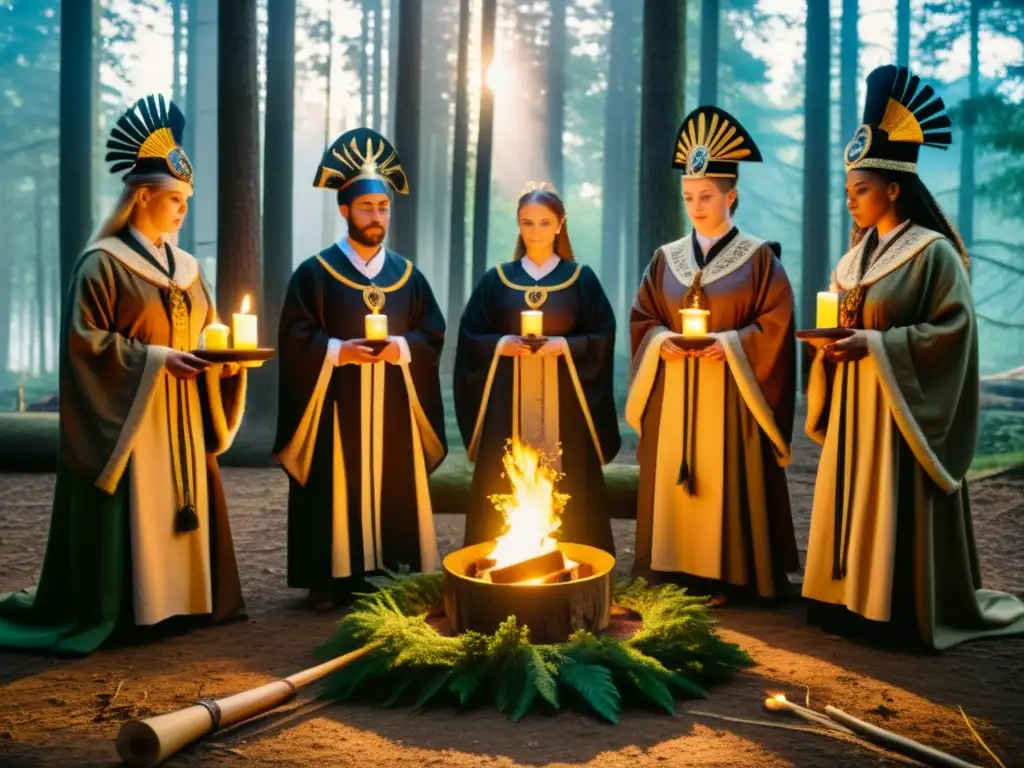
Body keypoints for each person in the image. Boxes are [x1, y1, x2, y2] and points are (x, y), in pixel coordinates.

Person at [0, 95, 247, 654]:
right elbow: (84, 344)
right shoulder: (103, 263)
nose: (184, 210)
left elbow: (207, 331)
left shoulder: (186, 270)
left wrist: (222, 362)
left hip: (184, 415)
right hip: (132, 419)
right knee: (139, 509)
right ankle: (136, 609)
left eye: (187, 200)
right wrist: (158, 360)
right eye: (176, 200)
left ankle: (188, 600)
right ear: (142, 197)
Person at [802, 65, 1024, 649]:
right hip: (856, 409)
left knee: (893, 504)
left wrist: (876, 343)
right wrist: (830, 349)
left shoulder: (934, 255)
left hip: (900, 417)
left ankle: (893, 608)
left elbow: (954, 331)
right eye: (848, 192)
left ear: (894, 189)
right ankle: (845, 596)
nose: (852, 201)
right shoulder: (852, 262)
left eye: (863, 190)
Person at [627, 106, 799, 602]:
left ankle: (730, 574)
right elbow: (644, 318)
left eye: (706, 196)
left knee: (725, 479)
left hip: (732, 397)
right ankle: (672, 567)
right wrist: (664, 342)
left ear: (732, 196)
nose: (696, 206)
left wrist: (728, 345)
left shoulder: (759, 257)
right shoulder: (666, 258)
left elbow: (776, 324)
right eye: (688, 197)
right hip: (674, 388)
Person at [274, 128, 447, 611]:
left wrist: (404, 348)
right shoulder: (316, 273)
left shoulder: (408, 277)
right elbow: (294, 338)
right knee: (334, 483)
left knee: (394, 482)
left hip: (394, 405)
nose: (377, 217)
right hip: (335, 408)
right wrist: (335, 352)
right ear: (345, 210)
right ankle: (331, 578)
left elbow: (431, 334)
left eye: (384, 207)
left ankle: (399, 571)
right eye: (368, 207)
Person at [454, 182, 619, 554]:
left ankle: (576, 554)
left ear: (560, 225)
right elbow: (470, 335)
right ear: (518, 225)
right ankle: (503, 554)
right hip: (507, 405)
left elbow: (603, 334)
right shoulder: (497, 279)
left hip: (566, 405)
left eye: (545, 223)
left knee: (567, 474)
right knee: (506, 471)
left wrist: (566, 345)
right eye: (527, 223)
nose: (536, 232)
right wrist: (502, 345)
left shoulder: (581, 279)